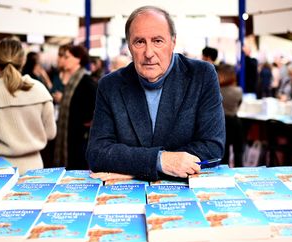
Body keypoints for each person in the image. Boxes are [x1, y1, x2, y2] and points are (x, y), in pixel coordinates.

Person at [86, 6, 225, 182]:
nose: (149, 53)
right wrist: (159, 161)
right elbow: (97, 153)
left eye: (158, 41)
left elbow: (212, 148)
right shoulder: (110, 85)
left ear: (173, 42)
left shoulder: (202, 75)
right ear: (129, 46)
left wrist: (136, 170)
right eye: (139, 42)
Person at [0, 37, 56, 175]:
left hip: (1, 169)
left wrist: (0, 146)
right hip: (35, 167)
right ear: (23, 61)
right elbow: (50, 133)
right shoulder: (40, 90)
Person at [53, 45, 97, 170]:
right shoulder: (72, 82)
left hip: (79, 142)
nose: (64, 60)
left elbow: (92, 113)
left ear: (78, 59)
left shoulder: (87, 83)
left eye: (67, 57)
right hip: (70, 139)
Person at [218, 64, 244, 167]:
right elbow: (238, 105)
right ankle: (239, 171)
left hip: (221, 123)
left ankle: (224, 174)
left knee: (224, 153)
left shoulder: (216, 90)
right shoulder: (238, 91)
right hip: (235, 122)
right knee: (238, 151)